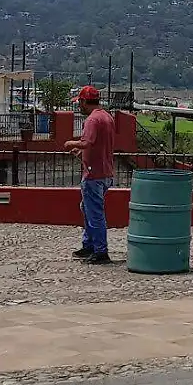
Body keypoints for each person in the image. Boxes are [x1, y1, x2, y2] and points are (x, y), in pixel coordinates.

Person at [65, 85, 116, 264]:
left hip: (94, 175)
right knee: (86, 208)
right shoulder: (107, 117)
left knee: (94, 213)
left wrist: (70, 143)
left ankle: (100, 250)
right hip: (106, 172)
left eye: (80, 102)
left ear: (85, 101)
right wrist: (80, 154)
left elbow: (87, 142)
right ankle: (89, 245)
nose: (79, 106)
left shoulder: (93, 120)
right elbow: (98, 145)